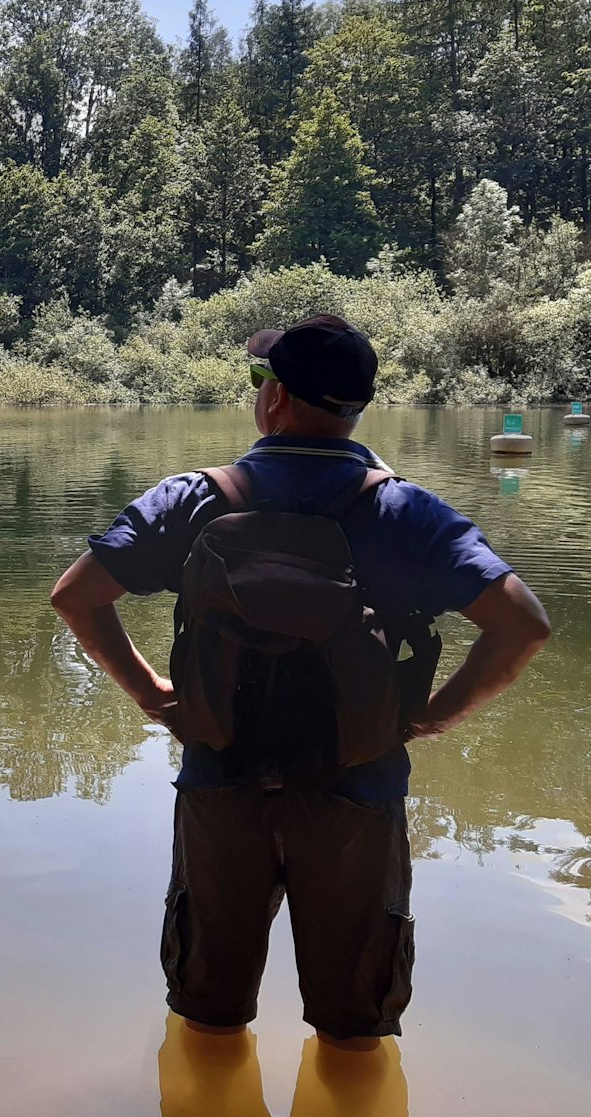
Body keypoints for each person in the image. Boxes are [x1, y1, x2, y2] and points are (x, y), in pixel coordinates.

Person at [49, 315, 551, 1056]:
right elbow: (522, 625)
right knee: (355, 1031)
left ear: (276, 398)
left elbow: (76, 595)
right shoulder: (404, 511)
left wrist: (155, 694)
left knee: (209, 1020)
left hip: (222, 782)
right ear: (356, 406)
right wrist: (435, 716)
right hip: (358, 789)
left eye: (259, 382)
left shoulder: (195, 498)